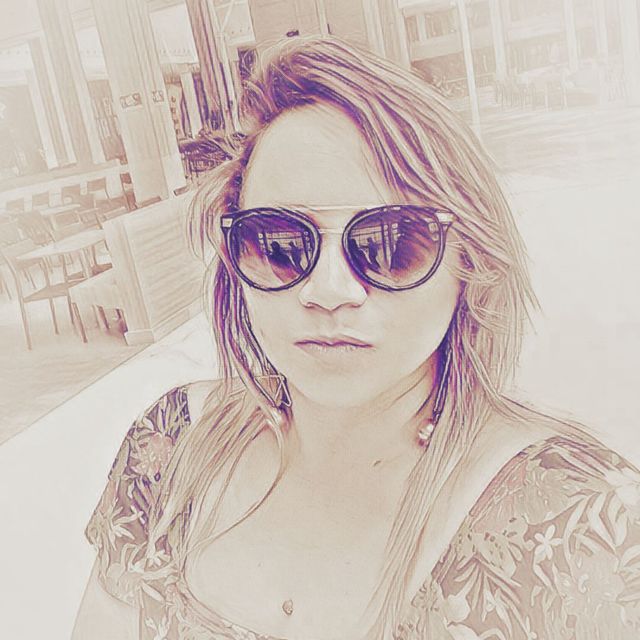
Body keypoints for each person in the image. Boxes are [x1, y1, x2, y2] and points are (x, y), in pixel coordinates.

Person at [72, 36, 640, 640]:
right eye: (280, 244)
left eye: (392, 245)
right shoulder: (165, 452)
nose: (329, 290)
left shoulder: (583, 525)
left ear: (470, 262)